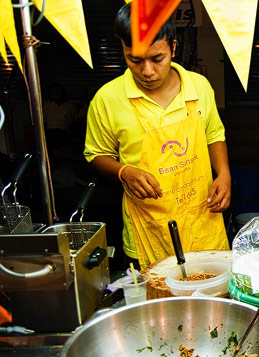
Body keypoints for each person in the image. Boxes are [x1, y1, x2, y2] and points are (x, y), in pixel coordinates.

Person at [84, 3, 231, 267]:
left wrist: (223, 174)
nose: (147, 71)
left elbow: (214, 134)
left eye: (157, 58)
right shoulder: (107, 99)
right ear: (123, 50)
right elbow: (95, 154)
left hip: (203, 222)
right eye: (135, 60)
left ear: (173, 47)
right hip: (147, 227)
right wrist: (124, 172)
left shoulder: (199, 87)